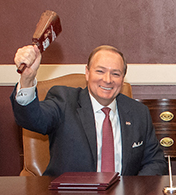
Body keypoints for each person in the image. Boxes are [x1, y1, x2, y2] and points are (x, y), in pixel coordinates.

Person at [12, 44, 167, 177]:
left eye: (115, 73)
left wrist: (133, 190)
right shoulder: (64, 101)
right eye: (100, 71)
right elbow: (32, 119)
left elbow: (156, 162)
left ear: (122, 78)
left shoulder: (139, 113)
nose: (107, 79)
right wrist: (27, 79)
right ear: (87, 73)